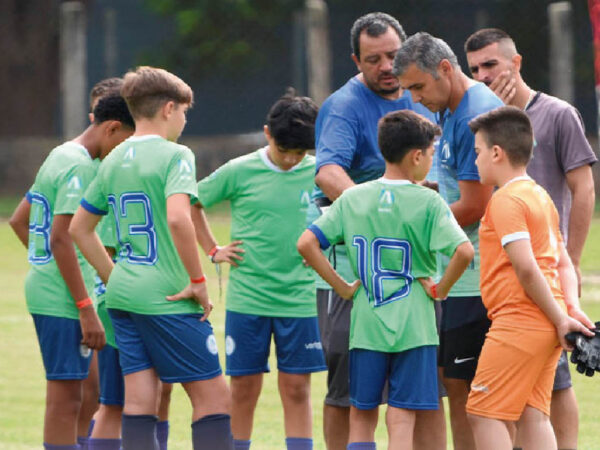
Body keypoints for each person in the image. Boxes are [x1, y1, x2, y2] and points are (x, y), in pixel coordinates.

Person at [69, 66, 233, 450]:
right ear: (169, 108)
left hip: (124, 296)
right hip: (167, 297)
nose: (184, 121)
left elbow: (79, 228)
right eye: (184, 113)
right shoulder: (176, 155)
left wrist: (114, 277)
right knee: (213, 399)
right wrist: (197, 280)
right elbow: (179, 216)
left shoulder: (112, 158)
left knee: (140, 400)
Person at [298, 109, 475, 450]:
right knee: (402, 414)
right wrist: (441, 289)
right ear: (417, 156)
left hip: (366, 324)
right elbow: (464, 252)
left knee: (362, 415)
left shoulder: (353, 197)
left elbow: (306, 243)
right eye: (432, 154)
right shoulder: (428, 201)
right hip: (415, 326)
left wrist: (342, 287)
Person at [312, 13, 443, 450]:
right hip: (358, 270)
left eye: (392, 55)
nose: (386, 66)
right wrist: (376, 214)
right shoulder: (345, 106)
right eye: (374, 59)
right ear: (356, 60)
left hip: (415, 272)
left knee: (423, 391)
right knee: (348, 390)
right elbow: (327, 172)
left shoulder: (423, 93)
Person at [463, 28, 598, 450]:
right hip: (548, 316)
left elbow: (525, 265)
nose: (476, 159)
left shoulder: (505, 201)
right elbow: (558, 259)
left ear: (498, 153)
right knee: (533, 413)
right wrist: (568, 308)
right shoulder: (540, 195)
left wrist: (562, 317)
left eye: (480, 151)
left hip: (520, 320)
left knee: (482, 412)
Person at [193, 91, 325, 450]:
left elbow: (344, 215)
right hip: (248, 299)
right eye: (286, 151)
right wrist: (213, 249)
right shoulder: (240, 170)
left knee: (297, 389)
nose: (292, 159)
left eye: (300, 153)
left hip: (300, 298)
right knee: (244, 388)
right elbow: (191, 201)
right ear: (267, 134)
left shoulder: (320, 173)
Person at [393, 32, 504, 450]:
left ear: (445, 69)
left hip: (477, 279)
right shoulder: (450, 109)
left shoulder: (475, 112)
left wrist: (415, 227)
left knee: (467, 392)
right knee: (462, 388)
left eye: (418, 87)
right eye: (408, 91)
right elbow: (455, 190)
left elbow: (476, 205)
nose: (415, 99)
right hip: (464, 275)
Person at [8, 94, 135, 450]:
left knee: (85, 393)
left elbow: (20, 221)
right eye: (126, 141)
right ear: (112, 128)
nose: (124, 152)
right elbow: (61, 238)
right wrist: (84, 305)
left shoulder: (62, 153)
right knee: (65, 401)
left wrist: (45, 266)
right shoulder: (80, 167)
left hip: (56, 288)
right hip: (62, 297)